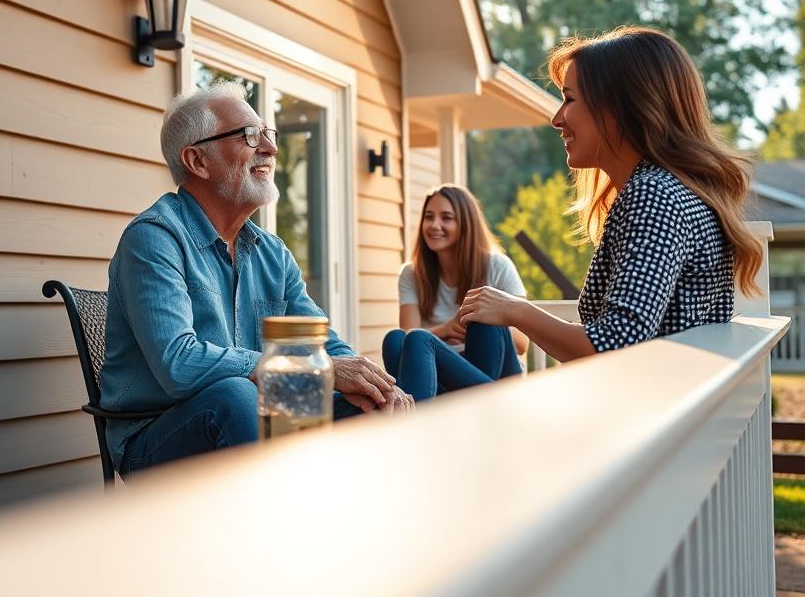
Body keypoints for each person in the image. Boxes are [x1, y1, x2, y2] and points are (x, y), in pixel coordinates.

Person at [99, 83, 414, 475]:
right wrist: (319, 370)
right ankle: (275, 529)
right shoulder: (153, 238)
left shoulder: (271, 252)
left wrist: (375, 383)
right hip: (158, 436)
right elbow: (177, 364)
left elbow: (319, 341)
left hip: (262, 411)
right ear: (197, 160)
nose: (270, 148)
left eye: (268, 134)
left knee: (373, 403)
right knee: (235, 395)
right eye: (250, 135)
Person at [456, 26, 763, 361]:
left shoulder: (655, 195)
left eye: (569, 99)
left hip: (653, 406)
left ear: (620, 109)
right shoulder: (672, 192)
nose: (557, 119)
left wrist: (516, 310)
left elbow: (616, 342)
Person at [382, 184, 529, 401]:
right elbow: (409, 336)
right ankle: (465, 406)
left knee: (482, 315)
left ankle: (420, 420)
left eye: (446, 218)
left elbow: (521, 342)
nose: (434, 225)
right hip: (441, 371)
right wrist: (448, 329)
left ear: (465, 224)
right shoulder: (412, 274)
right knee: (395, 339)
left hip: (498, 371)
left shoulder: (497, 265)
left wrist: (472, 322)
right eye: (429, 217)